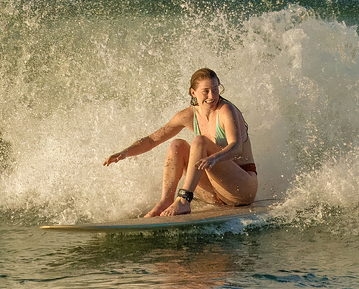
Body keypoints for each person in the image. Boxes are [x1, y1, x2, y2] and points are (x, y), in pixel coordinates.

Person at [103, 68, 257, 217]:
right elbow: (152, 140)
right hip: (212, 192)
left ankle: (184, 199)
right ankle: (166, 200)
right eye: (206, 91)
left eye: (215, 89)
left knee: (200, 141)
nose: (212, 96)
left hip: (240, 189)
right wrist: (125, 152)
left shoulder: (226, 110)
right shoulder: (188, 115)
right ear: (193, 93)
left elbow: (236, 147)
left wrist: (214, 158)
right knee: (177, 145)